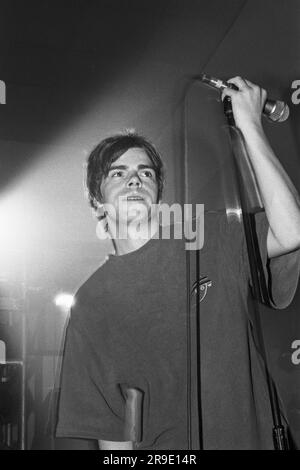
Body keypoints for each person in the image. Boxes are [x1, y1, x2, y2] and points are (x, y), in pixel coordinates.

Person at [55, 77, 300, 450]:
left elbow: (293, 231)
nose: (134, 178)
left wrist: (249, 126)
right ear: (96, 200)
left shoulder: (208, 234)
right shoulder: (92, 301)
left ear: (158, 192)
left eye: (146, 172)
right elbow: (112, 433)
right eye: (117, 173)